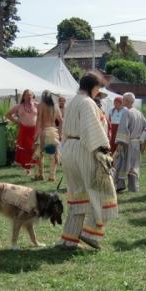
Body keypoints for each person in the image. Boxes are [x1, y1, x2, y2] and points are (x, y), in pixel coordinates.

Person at [56, 72, 117, 250]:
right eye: (98, 88)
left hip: (69, 150)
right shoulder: (87, 102)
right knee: (102, 191)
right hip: (85, 149)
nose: (98, 92)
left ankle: (69, 238)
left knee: (78, 195)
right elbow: (91, 129)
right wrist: (104, 151)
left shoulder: (73, 101)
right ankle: (90, 233)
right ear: (93, 87)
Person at [112, 92, 146, 193]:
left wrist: (119, 143)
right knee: (134, 166)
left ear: (127, 101)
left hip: (127, 143)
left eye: (123, 99)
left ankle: (120, 185)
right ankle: (134, 187)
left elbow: (123, 129)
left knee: (121, 163)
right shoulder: (139, 113)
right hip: (136, 143)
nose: (122, 101)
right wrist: (141, 139)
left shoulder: (126, 112)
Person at [5, 89, 38, 176]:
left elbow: (44, 113)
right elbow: (7, 114)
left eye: (30, 94)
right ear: (23, 96)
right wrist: (16, 121)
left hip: (34, 130)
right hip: (24, 130)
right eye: (27, 95)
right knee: (25, 149)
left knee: (34, 149)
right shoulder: (19, 106)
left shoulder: (37, 105)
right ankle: (27, 169)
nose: (29, 96)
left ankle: (35, 167)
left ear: (33, 96)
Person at [33, 90, 62, 182]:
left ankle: (40, 174)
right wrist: (60, 134)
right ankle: (52, 176)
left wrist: (36, 133)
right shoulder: (56, 106)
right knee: (53, 155)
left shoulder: (41, 105)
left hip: (43, 131)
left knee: (39, 154)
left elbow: (38, 120)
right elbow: (61, 120)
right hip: (53, 131)